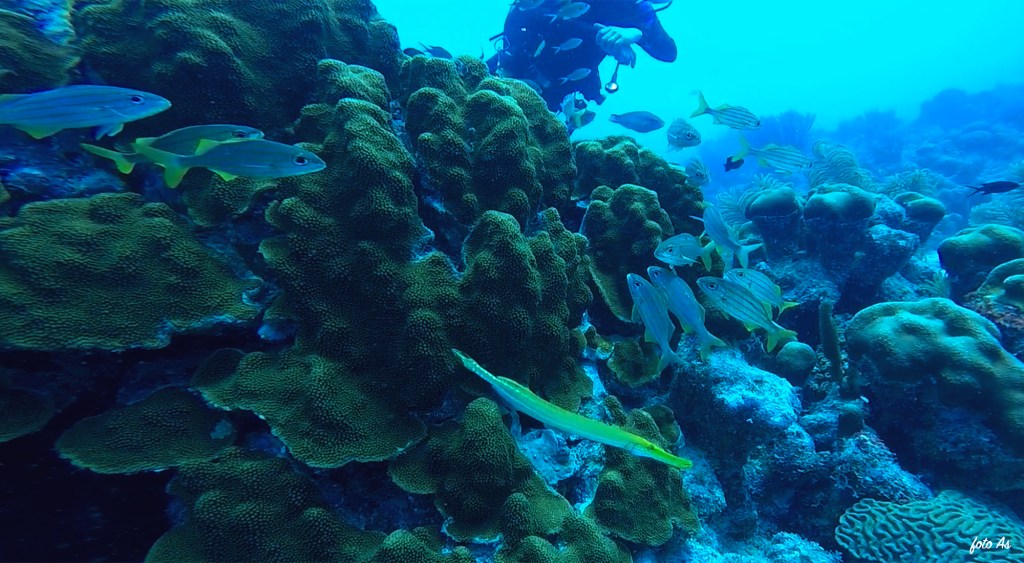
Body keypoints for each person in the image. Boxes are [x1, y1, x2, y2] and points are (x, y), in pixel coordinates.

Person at [489, 0, 678, 111]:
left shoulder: (635, 7)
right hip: (518, 65)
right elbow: (534, 14)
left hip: (563, 87)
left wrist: (636, 34)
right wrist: (601, 37)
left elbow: (668, 52)